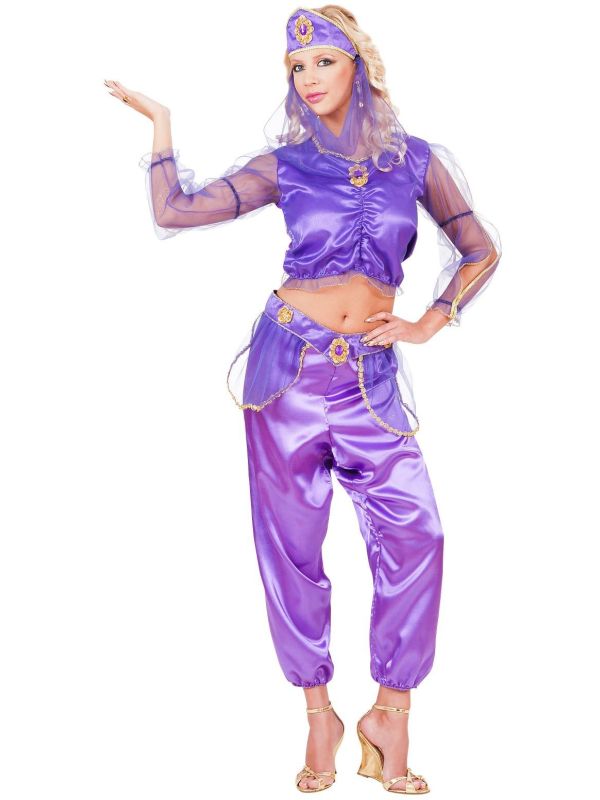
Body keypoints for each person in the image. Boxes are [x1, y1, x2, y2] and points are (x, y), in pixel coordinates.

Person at [105, 4, 501, 794]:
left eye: (323, 60)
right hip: (287, 367)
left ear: (358, 64)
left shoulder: (415, 160)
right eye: (296, 67)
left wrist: (430, 320)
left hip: (371, 378)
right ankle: (319, 715)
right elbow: (174, 211)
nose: (309, 77)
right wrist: (162, 125)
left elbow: (479, 249)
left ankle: (390, 714)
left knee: (417, 535)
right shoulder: (286, 165)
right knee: (291, 545)